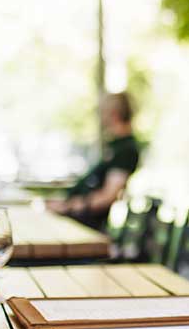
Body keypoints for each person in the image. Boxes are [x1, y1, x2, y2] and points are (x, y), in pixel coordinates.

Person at [48, 92, 140, 230]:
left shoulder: (125, 150)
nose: (100, 118)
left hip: (85, 224)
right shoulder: (115, 147)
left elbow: (108, 196)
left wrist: (68, 206)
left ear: (113, 114)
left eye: (102, 113)